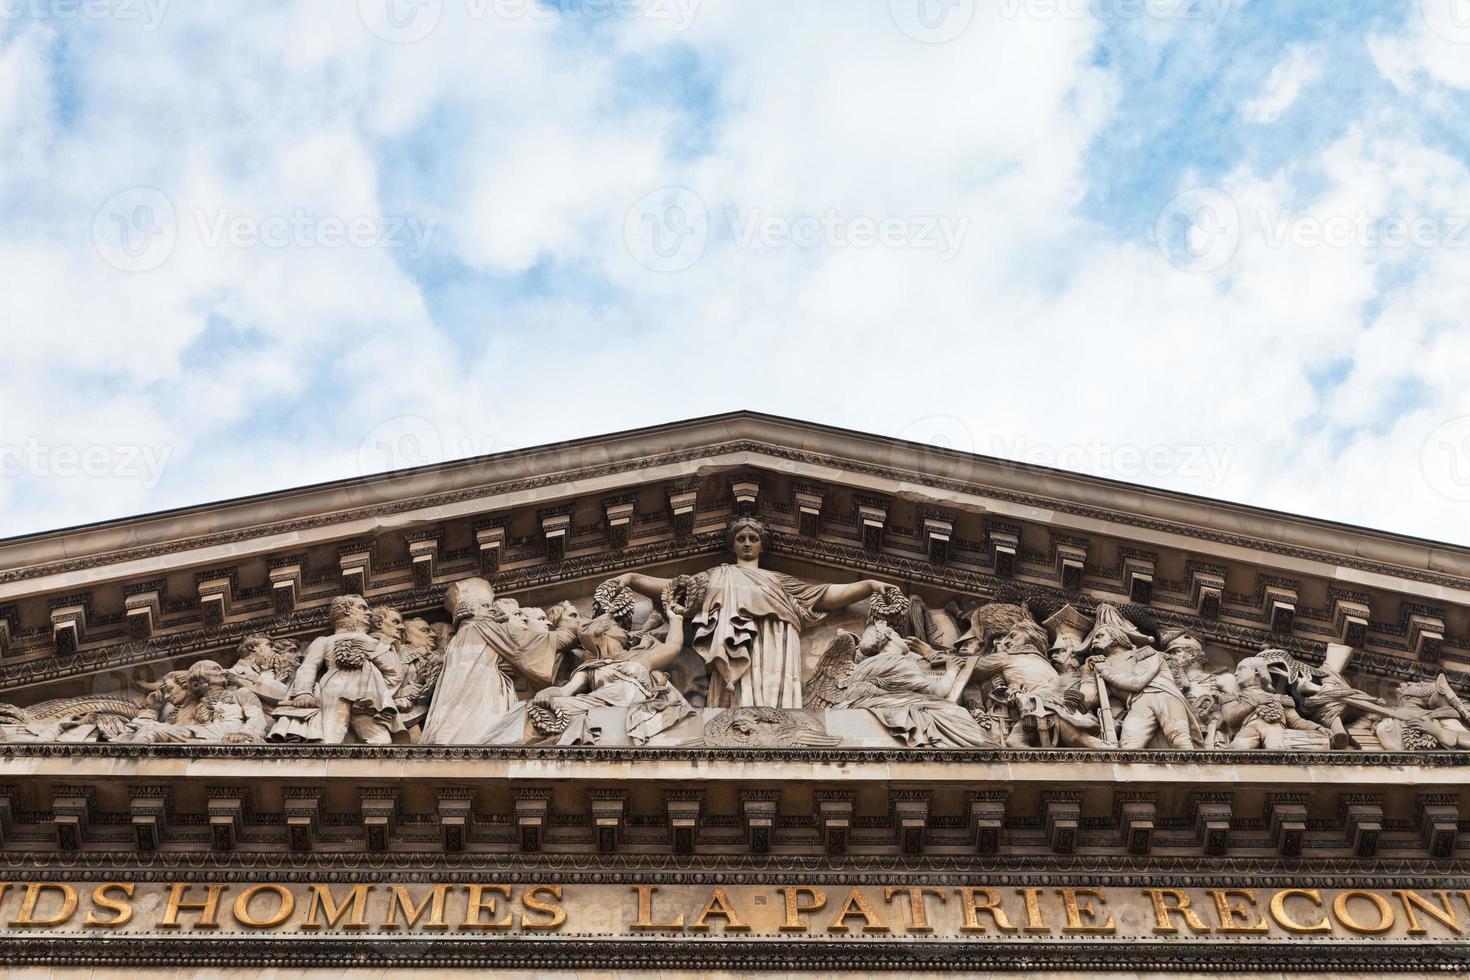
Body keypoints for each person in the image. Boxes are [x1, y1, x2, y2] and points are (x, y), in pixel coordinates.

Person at [611, 516, 894, 709]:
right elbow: (676, 588)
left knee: (773, 692)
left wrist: (867, 585)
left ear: (762, 544)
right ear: (733, 544)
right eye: (742, 538)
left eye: (753, 538)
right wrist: (634, 578)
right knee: (738, 692)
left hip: (777, 642)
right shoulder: (718, 576)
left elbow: (825, 595)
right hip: (734, 645)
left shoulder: (779, 582)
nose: (747, 543)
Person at [419, 579, 579, 744]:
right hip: (483, 709)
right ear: (476, 610)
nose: (497, 613)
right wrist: (577, 624)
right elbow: (560, 640)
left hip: (450, 718)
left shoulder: (458, 638)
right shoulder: (488, 629)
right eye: (489, 607)